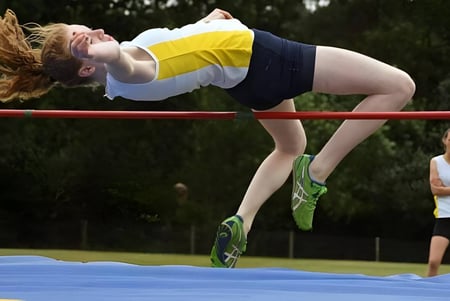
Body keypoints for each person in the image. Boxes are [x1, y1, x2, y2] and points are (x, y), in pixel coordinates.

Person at [0, 8, 415, 268]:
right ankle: (319, 173)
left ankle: (242, 222)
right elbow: (125, 61)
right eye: (87, 38)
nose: (98, 32)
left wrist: (208, 22)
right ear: (89, 67)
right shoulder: (129, 71)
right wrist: (100, 52)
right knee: (399, 86)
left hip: (244, 79)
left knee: (290, 146)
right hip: (266, 59)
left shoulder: (129, 67)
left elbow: (180, 45)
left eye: (88, 30)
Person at [427, 128, 450, 277]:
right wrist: (441, 189)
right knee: (434, 262)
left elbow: (441, 188)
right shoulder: (436, 161)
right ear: (445, 140)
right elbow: (435, 190)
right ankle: (427, 293)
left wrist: (445, 188)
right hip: (444, 217)